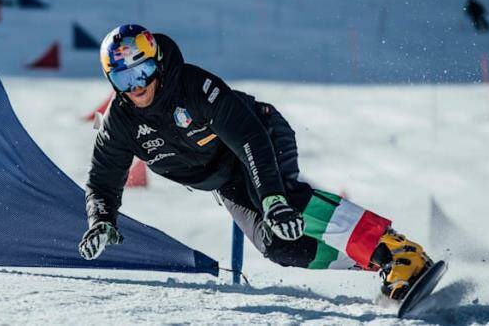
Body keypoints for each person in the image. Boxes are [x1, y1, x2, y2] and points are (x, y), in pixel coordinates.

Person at [78, 24, 433, 300]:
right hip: (222, 176)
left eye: (142, 72)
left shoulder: (192, 85)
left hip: (259, 138)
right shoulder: (120, 122)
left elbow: (248, 137)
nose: (137, 86)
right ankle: (379, 263)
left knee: (284, 203)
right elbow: (102, 180)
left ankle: (397, 251)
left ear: (155, 63)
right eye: (124, 79)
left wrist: (273, 198)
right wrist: (102, 220)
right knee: (279, 246)